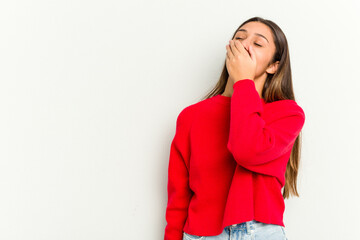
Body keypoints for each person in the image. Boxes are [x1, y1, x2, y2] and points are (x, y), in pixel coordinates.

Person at [164, 16, 305, 240]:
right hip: (202, 235)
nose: (245, 44)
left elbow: (247, 151)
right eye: (239, 38)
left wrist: (243, 83)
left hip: (262, 233)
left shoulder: (288, 114)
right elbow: (178, 196)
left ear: (273, 66)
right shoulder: (191, 117)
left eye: (258, 44)